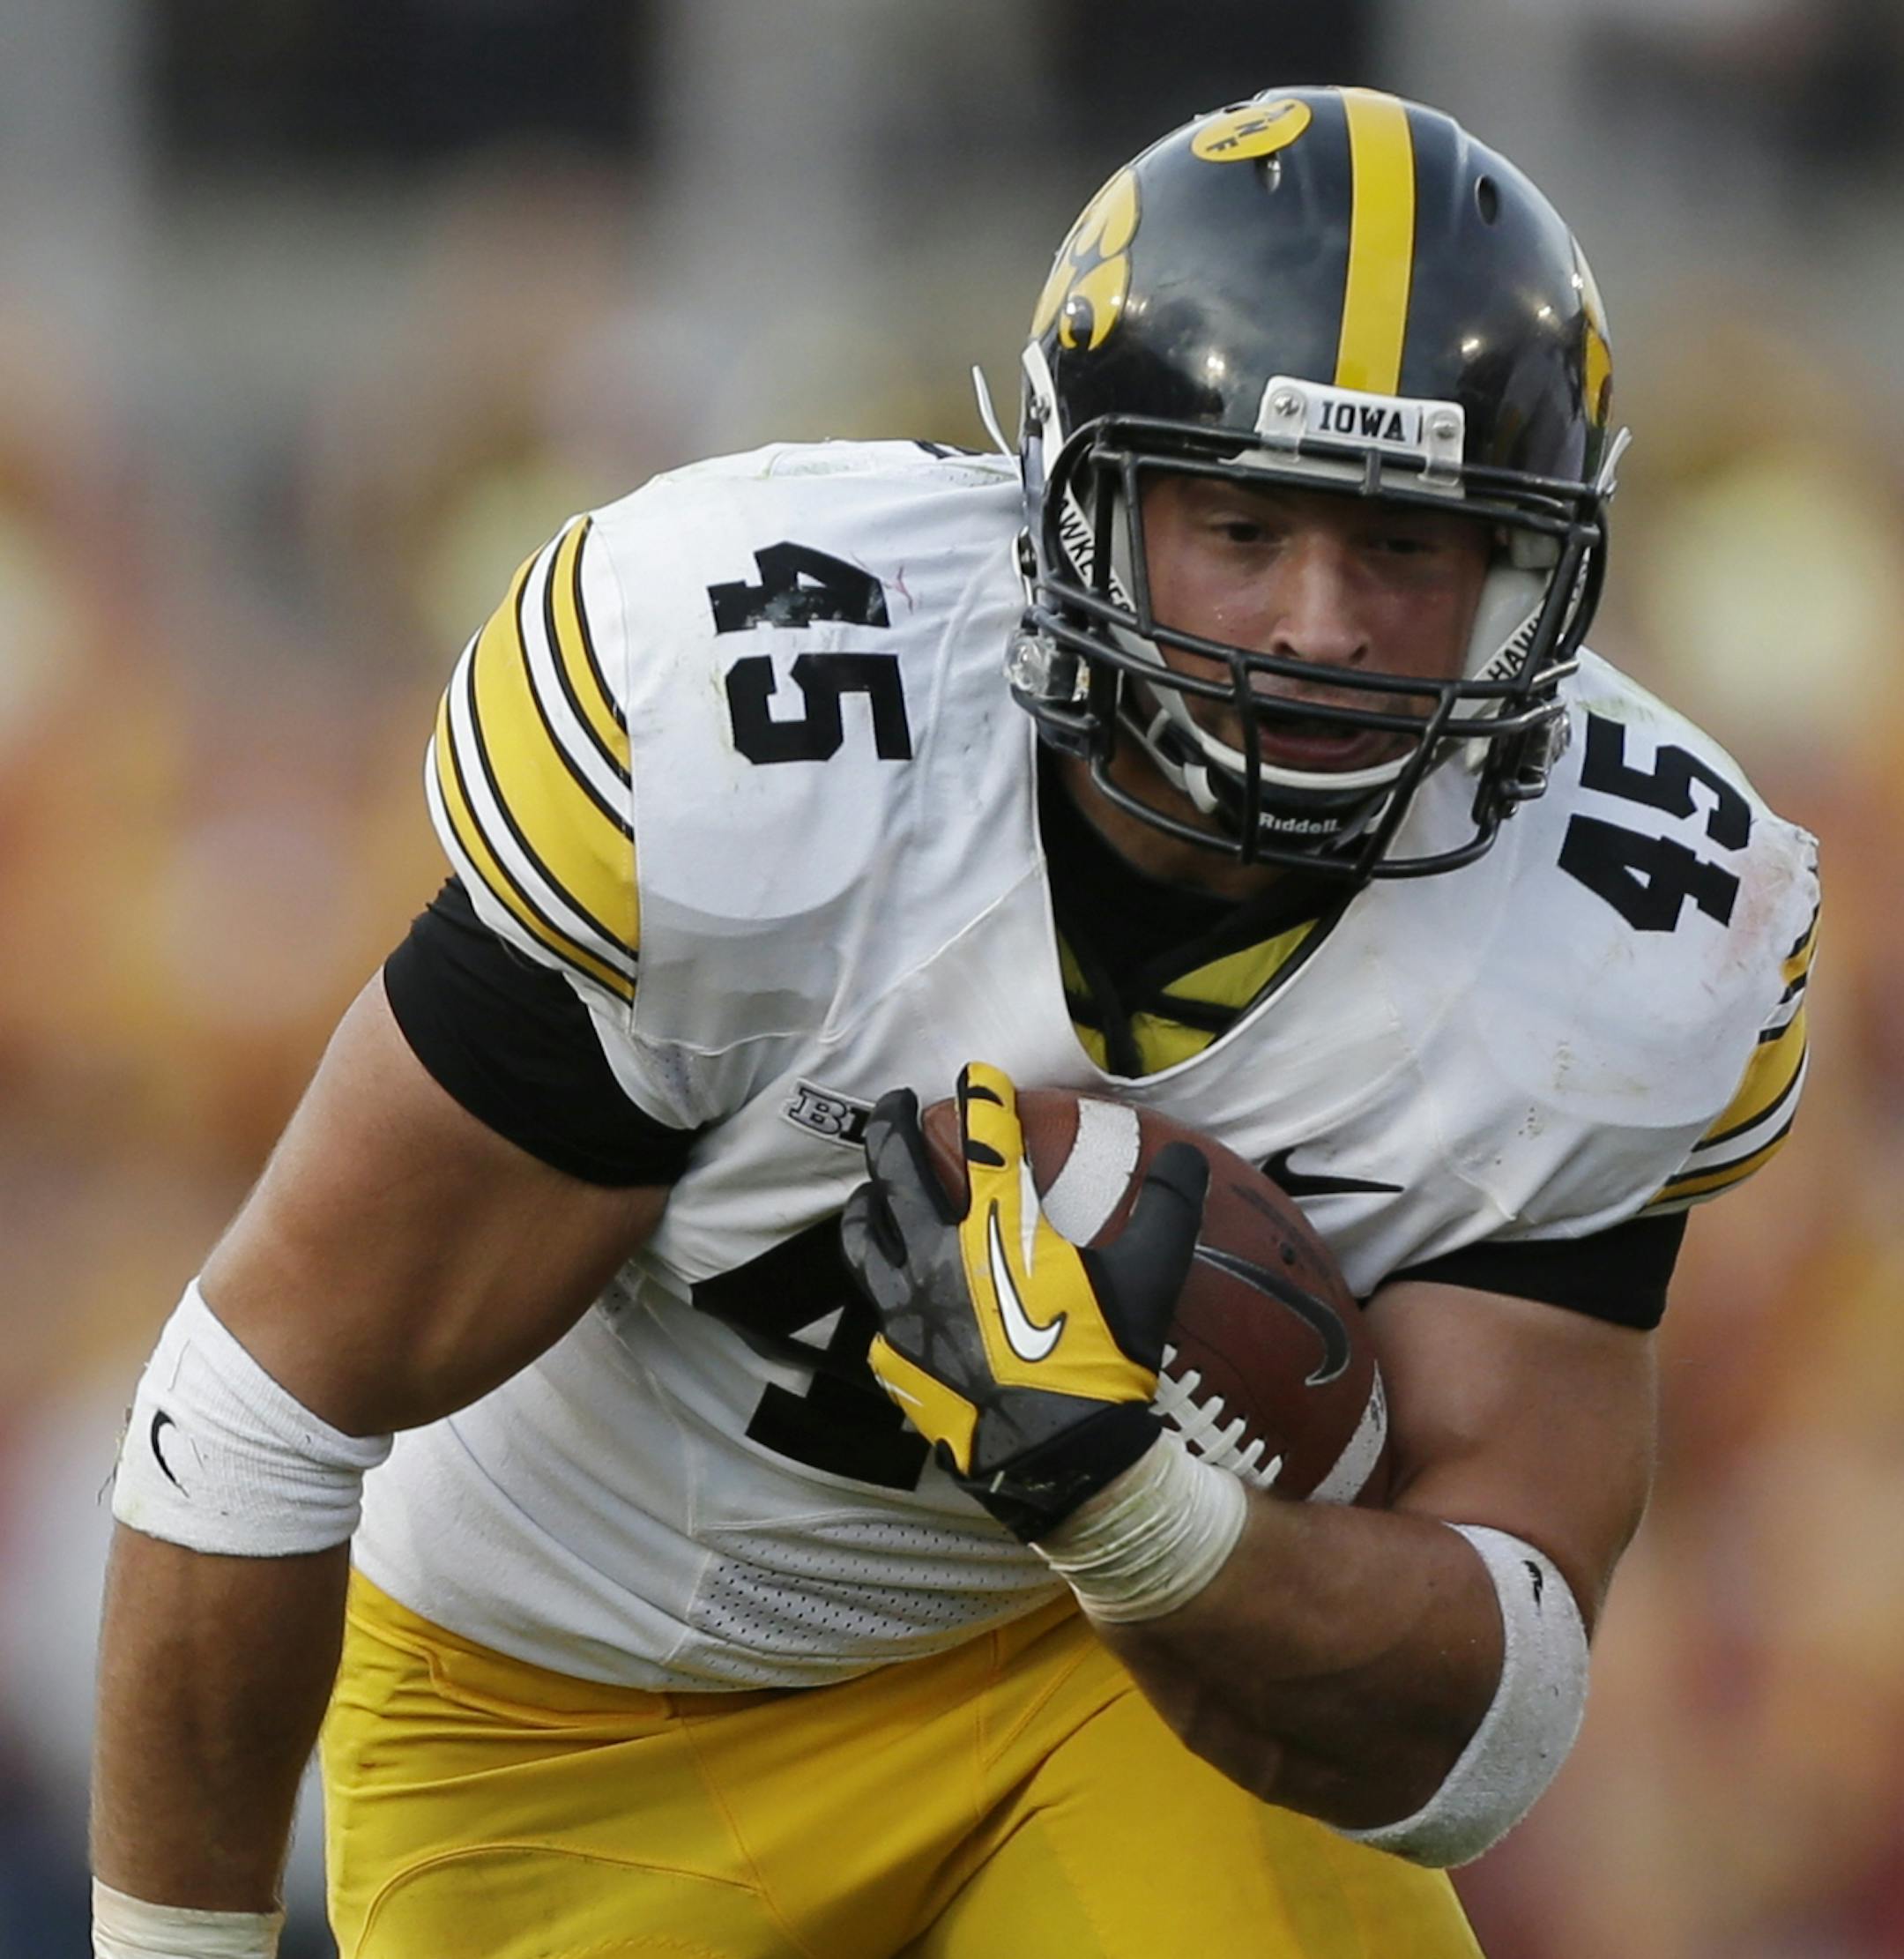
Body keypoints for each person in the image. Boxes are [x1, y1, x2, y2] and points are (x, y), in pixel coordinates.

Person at [91, 86, 1818, 1959]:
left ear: (1525, 578)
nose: (1319, 624)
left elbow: (1492, 1718)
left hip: (1116, 1678)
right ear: (1084, 503)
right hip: (574, 1705)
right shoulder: (766, 736)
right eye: (1244, 524)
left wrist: (1137, 1515)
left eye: (1406, 552)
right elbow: (255, 1410)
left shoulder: (1629, 910)